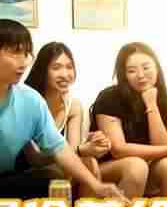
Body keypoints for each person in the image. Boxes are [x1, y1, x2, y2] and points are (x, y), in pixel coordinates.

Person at [0, 19, 126, 201]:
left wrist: (96, 185)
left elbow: (60, 149)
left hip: (2, 181)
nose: (25, 62)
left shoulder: (31, 100)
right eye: (16, 53)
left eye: (27, 54)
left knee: (52, 179)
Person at [90, 42, 167, 199]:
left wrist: (151, 105)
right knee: (137, 166)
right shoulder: (110, 97)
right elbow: (118, 150)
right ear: (124, 75)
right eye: (131, 71)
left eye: (146, 67)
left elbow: (163, 147)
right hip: (108, 168)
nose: (141, 75)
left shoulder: (166, 102)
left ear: (157, 68)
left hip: (147, 168)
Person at [20, 41, 111, 196]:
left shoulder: (72, 106)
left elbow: (72, 150)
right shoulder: (28, 102)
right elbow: (35, 159)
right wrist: (82, 150)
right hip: (25, 169)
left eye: (69, 67)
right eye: (56, 68)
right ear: (43, 70)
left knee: (89, 163)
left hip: (55, 165)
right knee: (60, 172)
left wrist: (94, 144)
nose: (65, 74)